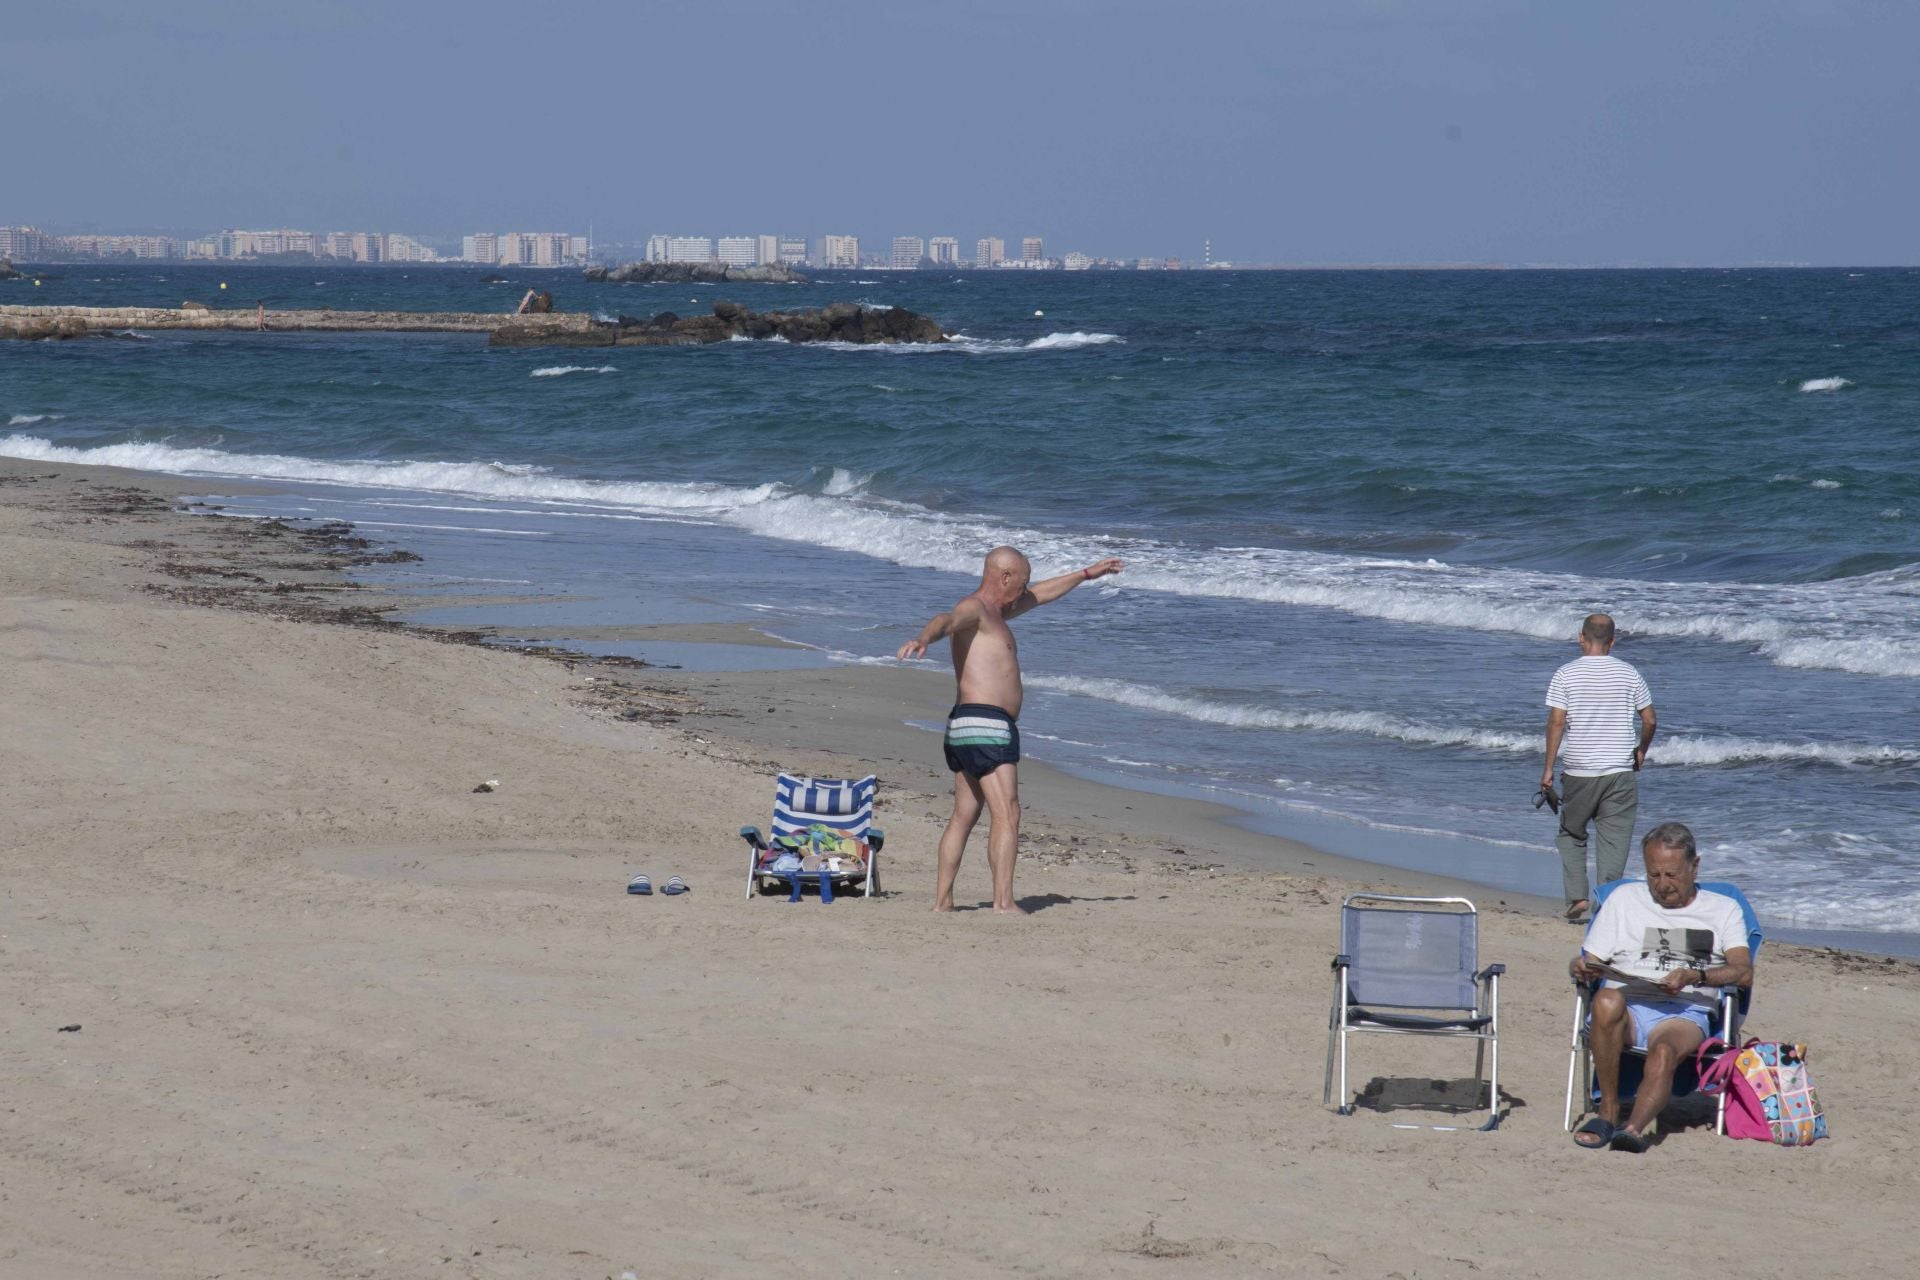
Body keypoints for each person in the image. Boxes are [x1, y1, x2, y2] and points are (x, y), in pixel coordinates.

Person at [897, 546, 1124, 914]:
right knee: (1008, 814)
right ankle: (1003, 902)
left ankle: (942, 902)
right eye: (1021, 581)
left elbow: (1041, 596)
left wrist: (1086, 574)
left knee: (963, 815)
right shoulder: (976, 609)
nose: (1025, 589)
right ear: (1004, 578)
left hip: (964, 724)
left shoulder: (997, 614)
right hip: (988, 725)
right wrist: (924, 639)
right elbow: (946, 619)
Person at [1570, 822, 1753, 1153]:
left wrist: (1695, 976)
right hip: (1629, 1004)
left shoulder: (1723, 909)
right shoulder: (1624, 899)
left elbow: (1743, 972)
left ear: (1694, 866)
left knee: (1665, 1049)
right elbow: (1590, 960)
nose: (1663, 885)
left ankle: (1634, 1128)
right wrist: (1582, 967)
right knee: (1607, 999)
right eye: (1654, 876)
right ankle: (1608, 1111)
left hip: (1684, 1009)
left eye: (1672, 875)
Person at [1541, 613, 1657, 921]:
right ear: (1612, 641)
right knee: (1614, 839)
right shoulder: (1629, 673)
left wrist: (1548, 769)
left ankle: (1578, 897)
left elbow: (1556, 722)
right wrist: (1641, 750)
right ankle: (1606, 901)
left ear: (1581, 638)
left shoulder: (1566, 674)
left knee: (1571, 833)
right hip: (1620, 769)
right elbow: (1650, 720)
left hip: (1579, 768)